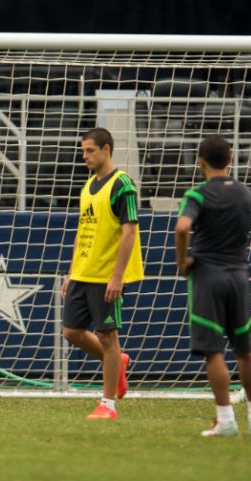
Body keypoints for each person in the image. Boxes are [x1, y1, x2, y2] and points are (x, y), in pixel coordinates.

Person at [174, 135, 251, 436]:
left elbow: (182, 227)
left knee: (214, 352)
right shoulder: (245, 193)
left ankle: (226, 420)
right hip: (238, 277)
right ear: (230, 159)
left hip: (208, 277)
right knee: (246, 351)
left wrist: (183, 261)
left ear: (200, 161)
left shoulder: (197, 194)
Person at [61, 127, 144, 420]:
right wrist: (71, 271)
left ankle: (108, 404)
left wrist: (117, 276)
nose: (84, 156)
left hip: (106, 275)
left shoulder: (122, 184)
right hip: (83, 272)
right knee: (71, 331)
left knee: (107, 337)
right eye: (83, 151)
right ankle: (118, 362)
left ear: (106, 149)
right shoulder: (88, 186)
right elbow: (81, 230)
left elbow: (129, 232)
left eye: (90, 151)